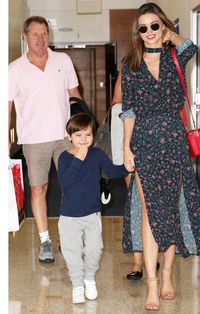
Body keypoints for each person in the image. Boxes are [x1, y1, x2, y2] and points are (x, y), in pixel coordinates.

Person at [121, 3, 200, 311]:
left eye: (153, 26)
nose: (148, 33)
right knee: (149, 212)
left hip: (173, 140)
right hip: (144, 141)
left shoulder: (176, 56)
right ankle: (152, 284)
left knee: (170, 210)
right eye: (142, 28)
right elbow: (128, 110)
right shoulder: (130, 64)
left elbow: (191, 46)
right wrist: (125, 147)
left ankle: (169, 276)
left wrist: (171, 34)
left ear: (162, 26)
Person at [8, 16, 83, 263]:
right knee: (38, 188)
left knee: (71, 186)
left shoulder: (63, 61)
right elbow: (6, 108)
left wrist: (82, 129)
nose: (40, 39)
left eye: (44, 34)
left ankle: (68, 233)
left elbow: (74, 95)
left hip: (64, 137)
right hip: (33, 139)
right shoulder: (15, 69)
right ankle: (45, 241)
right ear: (25, 37)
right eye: (35, 35)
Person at [57, 113, 127, 303]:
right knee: (72, 251)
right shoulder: (64, 158)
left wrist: (128, 167)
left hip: (92, 214)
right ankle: (78, 284)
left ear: (93, 136)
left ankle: (89, 278)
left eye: (88, 135)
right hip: (69, 216)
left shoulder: (97, 155)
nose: (83, 140)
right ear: (69, 137)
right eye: (78, 135)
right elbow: (65, 182)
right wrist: (78, 160)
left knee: (95, 250)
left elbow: (112, 171)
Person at [111, 72, 160, 280]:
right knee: (137, 204)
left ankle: (151, 257)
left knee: (152, 206)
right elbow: (117, 102)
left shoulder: (166, 64)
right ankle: (138, 261)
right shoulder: (129, 68)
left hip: (159, 142)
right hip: (133, 143)